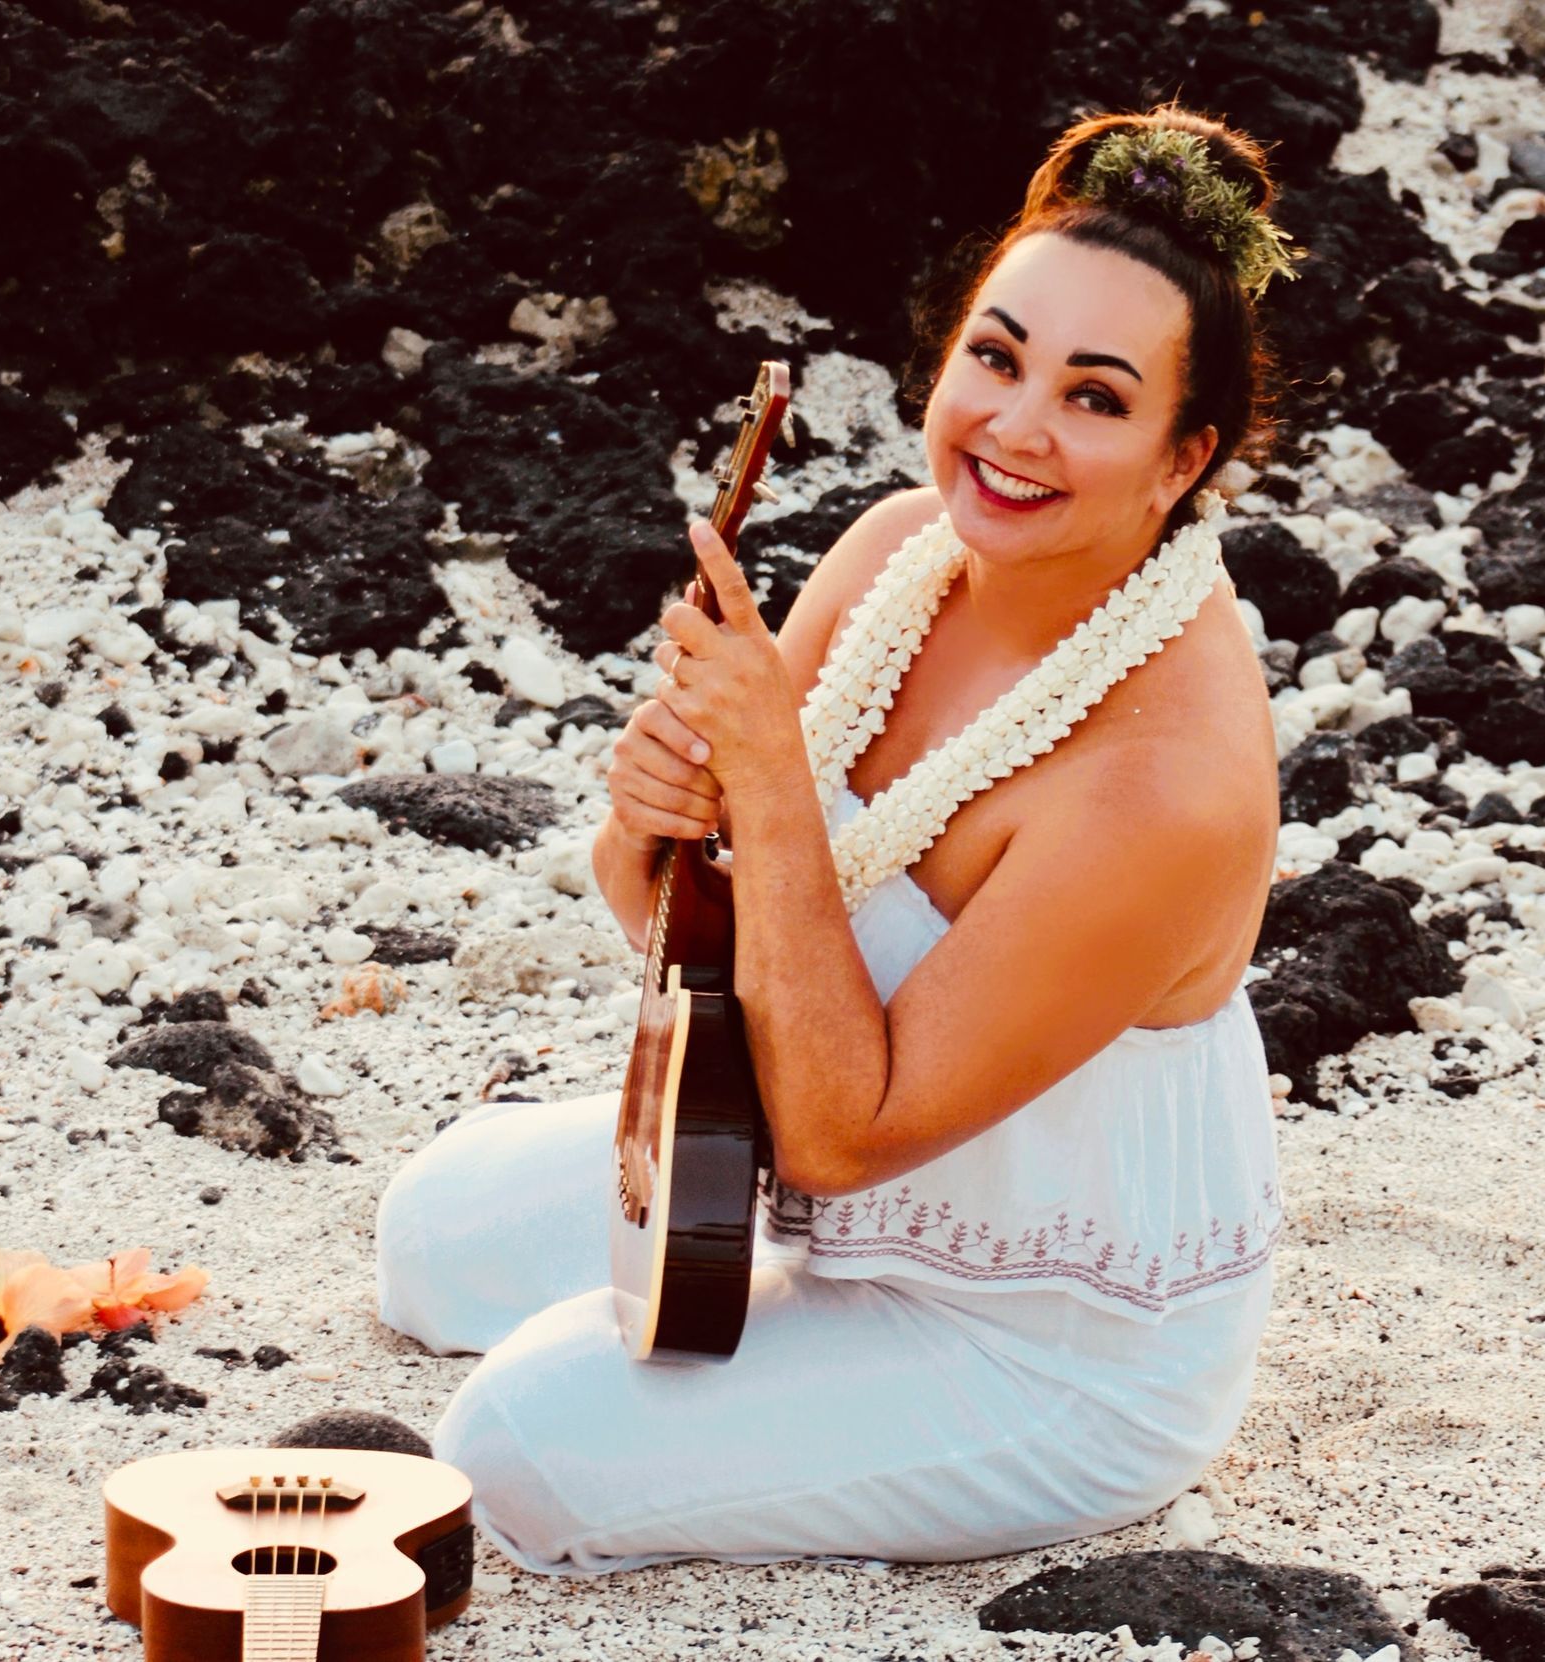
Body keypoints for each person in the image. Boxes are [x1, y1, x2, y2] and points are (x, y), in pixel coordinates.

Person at [375, 101, 1299, 1578]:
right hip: (807, 1179)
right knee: (428, 1234)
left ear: (1183, 459)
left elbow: (841, 1131)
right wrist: (653, 814)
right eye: (996, 359)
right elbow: (696, 944)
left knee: (514, 1448)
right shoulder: (893, 558)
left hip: (1042, 1340)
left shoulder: (1166, 781)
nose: (1015, 427)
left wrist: (776, 789)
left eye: (1096, 398)